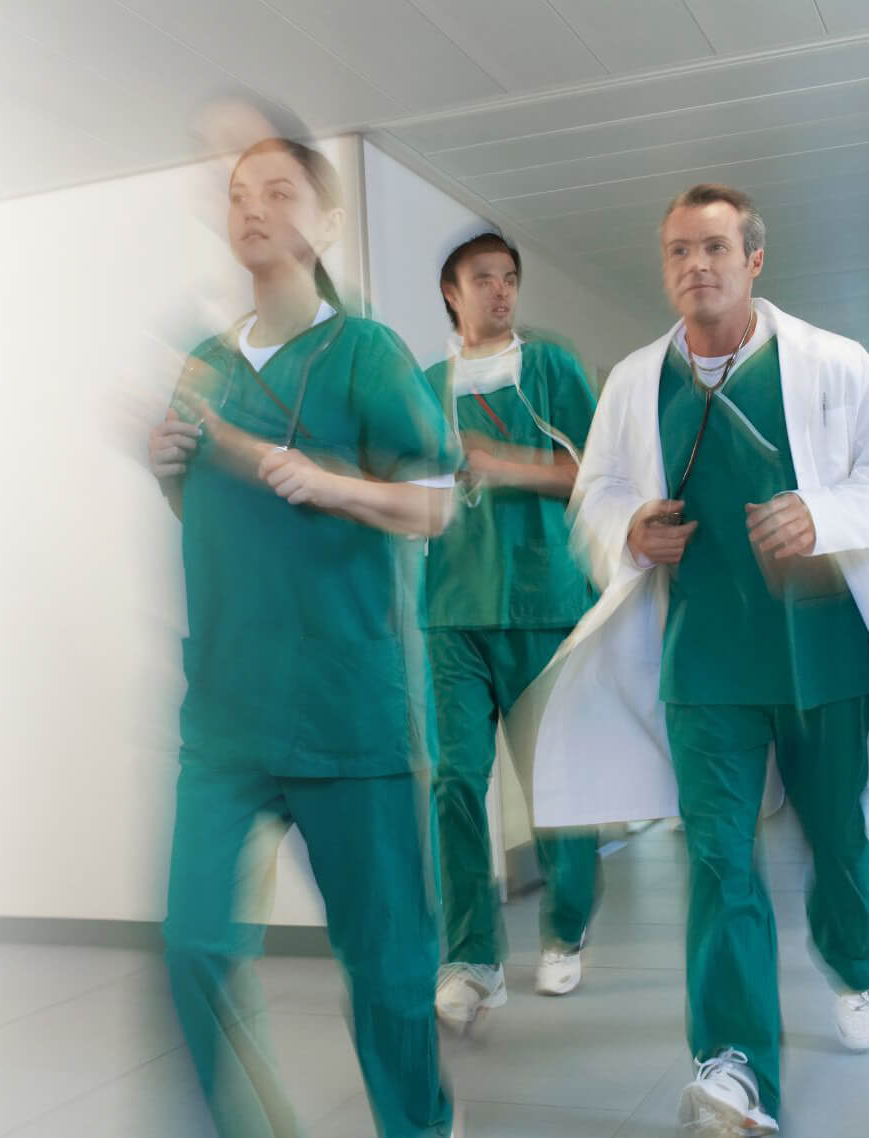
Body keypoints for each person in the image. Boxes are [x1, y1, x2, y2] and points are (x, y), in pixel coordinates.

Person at [509, 183, 869, 1137]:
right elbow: (595, 493)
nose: (694, 265)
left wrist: (823, 514)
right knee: (719, 860)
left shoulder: (836, 364)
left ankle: (858, 966)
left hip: (823, 652)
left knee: (841, 842)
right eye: (677, 250)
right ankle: (734, 1065)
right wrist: (629, 528)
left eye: (714, 247)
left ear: (754, 259)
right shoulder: (637, 381)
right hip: (702, 662)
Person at [147, 136, 459, 1138]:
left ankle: (419, 1125)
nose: (252, 207)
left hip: (349, 713)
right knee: (194, 944)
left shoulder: (366, 353)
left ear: (323, 222)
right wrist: (168, 470)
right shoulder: (204, 366)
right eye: (239, 193)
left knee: (389, 967)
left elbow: (435, 503)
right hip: (227, 714)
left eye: (278, 190)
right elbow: (210, 517)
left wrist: (328, 482)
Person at [421, 232, 601, 1033]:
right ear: (451, 293)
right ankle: (471, 959)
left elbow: (598, 475)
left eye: (510, 278)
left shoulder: (551, 369)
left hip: (543, 602)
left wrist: (500, 462)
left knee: (557, 779)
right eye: (483, 278)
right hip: (452, 611)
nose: (501, 290)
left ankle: (565, 928)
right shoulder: (425, 388)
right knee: (456, 782)